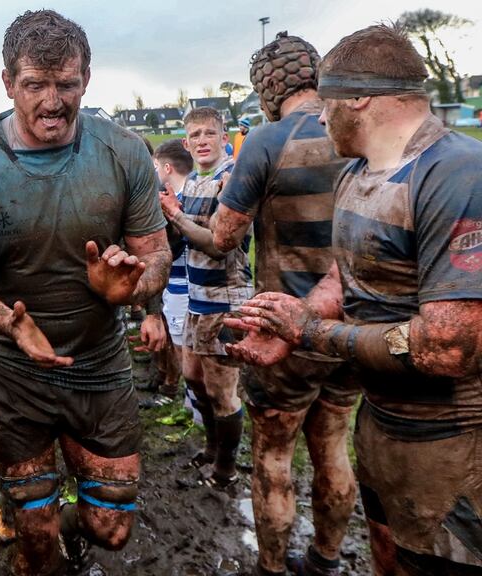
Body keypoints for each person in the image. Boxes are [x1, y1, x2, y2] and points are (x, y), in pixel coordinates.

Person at [229, 25, 482, 575]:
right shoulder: (357, 173)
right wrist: (298, 315)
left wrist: (312, 334)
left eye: (327, 103)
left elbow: (450, 346)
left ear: (359, 98)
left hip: (450, 443)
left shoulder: (458, 174)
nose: (319, 117)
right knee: (387, 553)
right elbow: (344, 275)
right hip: (381, 422)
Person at [0, 10, 171, 575]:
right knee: (33, 543)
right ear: (8, 83)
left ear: (87, 78)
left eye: (68, 84)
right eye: (36, 84)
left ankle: (67, 531)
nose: (54, 101)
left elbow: (156, 253)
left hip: (100, 365)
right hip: (14, 373)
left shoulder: (123, 151)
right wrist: (8, 323)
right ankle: (38, 538)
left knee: (111, 529)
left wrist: (132, 284)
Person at [210, 32, 358, 576]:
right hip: (349, 328)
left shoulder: (268, 140)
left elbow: (225, 234)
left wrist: (188, 220)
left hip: (284, 331)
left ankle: (271, 568)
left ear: (267, 90)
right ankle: (326, 560)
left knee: (274, 457)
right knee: (334, 446)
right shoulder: (356, 131)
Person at [158, 106, 251, 489]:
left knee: (221, 391)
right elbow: (183, 243)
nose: (201, 141)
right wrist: (170, 223)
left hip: (225, 299)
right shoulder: (194, 180)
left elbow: (217, 245)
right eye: (194, 135)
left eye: (209, 134)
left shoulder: (231, 180)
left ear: (223, 139)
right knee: (192, 376)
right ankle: (212, 447)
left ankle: (226, 468)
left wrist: (177, 218)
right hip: (197, 298)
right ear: (186, 142)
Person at [141, 139, 194, 406]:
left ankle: (184, 398)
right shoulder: (183, 196)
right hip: (177, 283)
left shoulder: (183, 200)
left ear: (167, 167)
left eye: (155, 166)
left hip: (182, 284)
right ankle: (180, 392)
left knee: (181, 344)